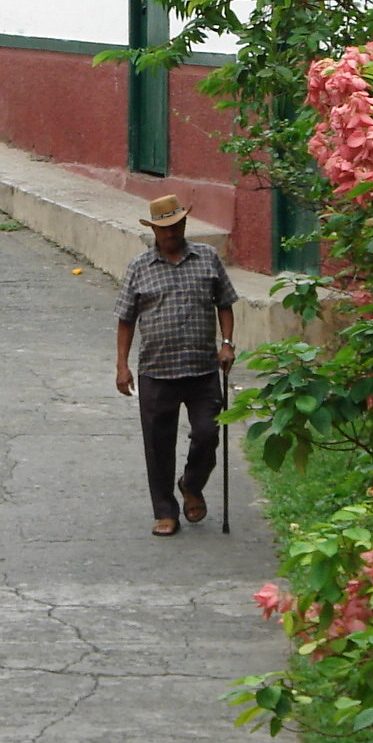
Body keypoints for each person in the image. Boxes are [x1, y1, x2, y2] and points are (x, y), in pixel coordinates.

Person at [114, 193, 236, 537]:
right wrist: (121, 366)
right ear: (154, 229)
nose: (171, 233)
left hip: (202, 370)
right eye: (164, 228)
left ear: (184, 224)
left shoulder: (207, 258)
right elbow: (125, 318)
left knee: (208, 433)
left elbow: (225, 303)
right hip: (156, 370)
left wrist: (226, 344)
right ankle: (165, 512)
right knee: (158, 445)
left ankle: (192, 483)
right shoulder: (139, 267)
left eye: (176, 225)